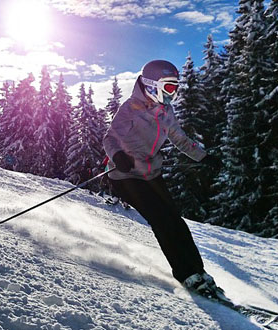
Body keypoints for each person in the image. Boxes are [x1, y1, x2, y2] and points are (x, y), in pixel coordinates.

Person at [102, 59, 223, 296]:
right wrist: (118, 155)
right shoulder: (129, 108)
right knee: (162, 220)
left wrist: (203, 157)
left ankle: (199, 271)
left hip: (151, 173)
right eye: (168, 87)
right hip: (126, 175)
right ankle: (185, 274)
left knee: (176, 221)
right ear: (150, 84)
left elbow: (180, 139)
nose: (173, 93)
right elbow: (109, 138)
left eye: (175, 88)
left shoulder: (167, 111)